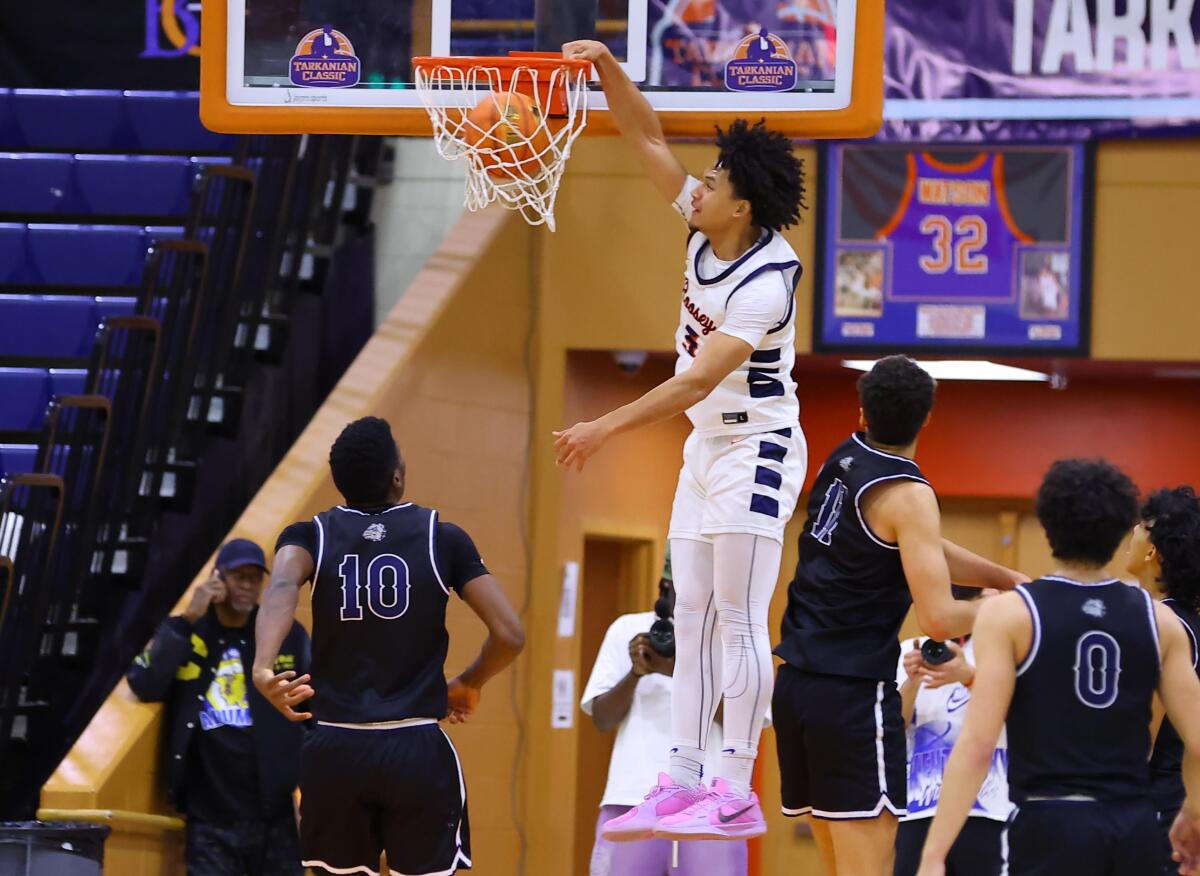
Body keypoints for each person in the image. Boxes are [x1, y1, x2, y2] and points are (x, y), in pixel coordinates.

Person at [557, 37, 809, 842]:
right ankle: (683, 775)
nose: (696, 187)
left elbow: (698, 380)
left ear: (741, 206)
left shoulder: (767, 281)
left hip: (758, 449)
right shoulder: (704, 227)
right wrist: (606, 68)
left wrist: (603, 427)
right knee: (693, 610)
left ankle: (736, 782)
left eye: (714, 182)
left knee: (737, 613)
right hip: (706, 449)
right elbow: (647, 136)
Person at [772, 354, 1026, 876]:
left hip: (796, 688)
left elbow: (920, 544)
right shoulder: (909, 494)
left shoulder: (841, 459)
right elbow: (937, 620)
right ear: (927, 418)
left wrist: (1000, 577)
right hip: (852, 695)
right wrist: (1001, 607)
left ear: (862, 411)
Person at [251, 416, 525, 876]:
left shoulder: (308, 536)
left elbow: (280, 586)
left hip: (335, 747)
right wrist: (469, 682)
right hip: (416, 745)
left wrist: (262, 666)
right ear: (397, 475)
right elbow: (510, 635)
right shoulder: (443, 537)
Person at [915, 460, 1200, 876]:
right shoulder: (1160, 622)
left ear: (1047, 526)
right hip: (1133, 824)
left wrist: (934, 853)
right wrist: (1193, 810)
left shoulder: (1010, 613)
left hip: (1048, 822)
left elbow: (977, 746)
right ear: (1121, 527)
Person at [127, 538, 310, 876]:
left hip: (275, 816)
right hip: (210, 818)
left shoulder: (282, 633)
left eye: (254, 578)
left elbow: (313, 708)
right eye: (238, 576)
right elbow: (144, 681)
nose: (247, 586)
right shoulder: (191, 632)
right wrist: (187, 619)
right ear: (217, 578)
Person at [581, 553, 749, 875]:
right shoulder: (627, 629)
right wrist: (636, 673)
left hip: (712, 805)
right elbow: (602, 718)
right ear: (665, 586)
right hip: (632, 797)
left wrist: (678, 671)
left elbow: (745, 724)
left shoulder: (734, 639)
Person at [893, 587, 1011, 876]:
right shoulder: (913, 649)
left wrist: (967, 676)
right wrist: (912, 680)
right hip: (921, 807)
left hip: (988, 807)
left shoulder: (1002, 647)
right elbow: (894, 727)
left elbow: (1021, 713)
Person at [1126, 486, 1200, 873]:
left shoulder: (1157, 623)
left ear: (1154, 549)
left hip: (1161, 811)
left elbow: (1141, 742)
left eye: (1140, 525)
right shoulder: (1189, 622)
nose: (1132, 532)